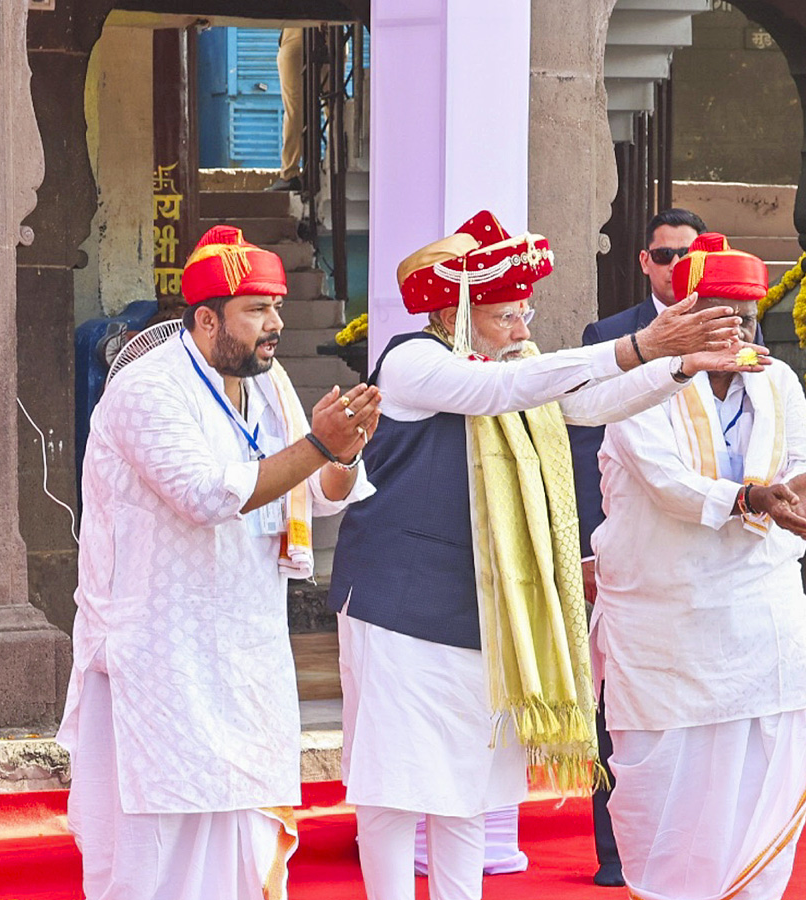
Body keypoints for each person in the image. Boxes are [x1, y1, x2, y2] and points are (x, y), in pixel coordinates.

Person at [328, 210, 765, 900]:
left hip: (481, 603)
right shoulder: (414, 360)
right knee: (395, 781)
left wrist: (677, 365)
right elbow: (500, 393)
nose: (524, 330)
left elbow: (589, 406)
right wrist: (640, 346)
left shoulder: (518, 365)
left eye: (526, 313)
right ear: (459, 310)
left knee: (471, 783)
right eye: (508, 316)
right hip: (398, 602)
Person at [56, 224, 382, 900]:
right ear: (206, 320)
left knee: (241, 840)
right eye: (258, 310)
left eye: (279, 306)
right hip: (158, 659)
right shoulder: (148, 390)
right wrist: (319, 445)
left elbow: (320, 497)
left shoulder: (269, 383)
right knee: (157, 854)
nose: (276, 325)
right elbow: (205, 496)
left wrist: (344, 452)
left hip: (244, 648)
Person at [590, 232, 806, 900]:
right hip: (668, 619)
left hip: (761, 607)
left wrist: (804, 490)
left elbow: (799, 460)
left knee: (779, 746)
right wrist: (753, 497)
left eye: (750, 318)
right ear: (687, 312)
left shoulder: (777, 377)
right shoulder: (639, 384)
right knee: (674, 779)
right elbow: (668, 485)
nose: (739, 332)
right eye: (723, 317)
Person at [567, 206, 708, 886]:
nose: (679, 263)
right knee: (619, 703)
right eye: (667, 254)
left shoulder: (732, 326)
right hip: (626, 549)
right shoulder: (610, 335)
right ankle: (616, 851)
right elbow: (586, 443)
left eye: (690, 252)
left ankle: (689, 840)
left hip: (700, 548)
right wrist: (591, 549)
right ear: (645, 262)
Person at [269, 28, 304, 192]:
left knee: (294, 109)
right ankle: (336, 163)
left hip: (296, 36)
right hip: (332, 36)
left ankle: (290, 173)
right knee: (331, 110)